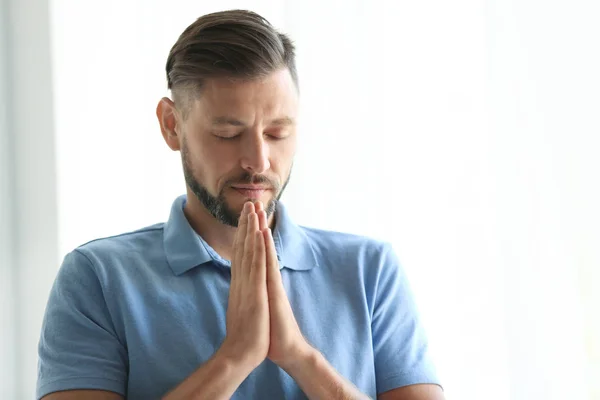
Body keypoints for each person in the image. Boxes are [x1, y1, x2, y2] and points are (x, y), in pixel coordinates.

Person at [37, 9, 444, 400]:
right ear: (172, 125)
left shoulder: (370, 270)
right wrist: (235, 358)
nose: (259, 161)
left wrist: (301, 358)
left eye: (277, 132)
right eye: (229, 134)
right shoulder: (98, 278)